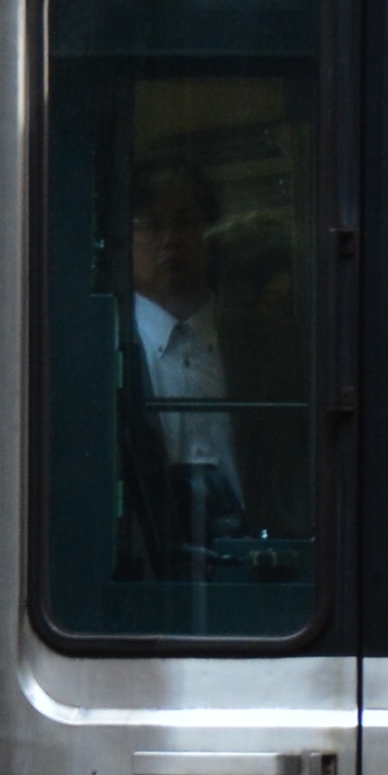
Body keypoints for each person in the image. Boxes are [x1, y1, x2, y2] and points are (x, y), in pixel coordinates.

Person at [120, 158, 254, 558]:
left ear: (210, 236)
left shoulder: (261, 344)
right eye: (153, 224)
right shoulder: (108, 347)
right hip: (151, 567)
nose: (171, 240)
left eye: (185, 223)